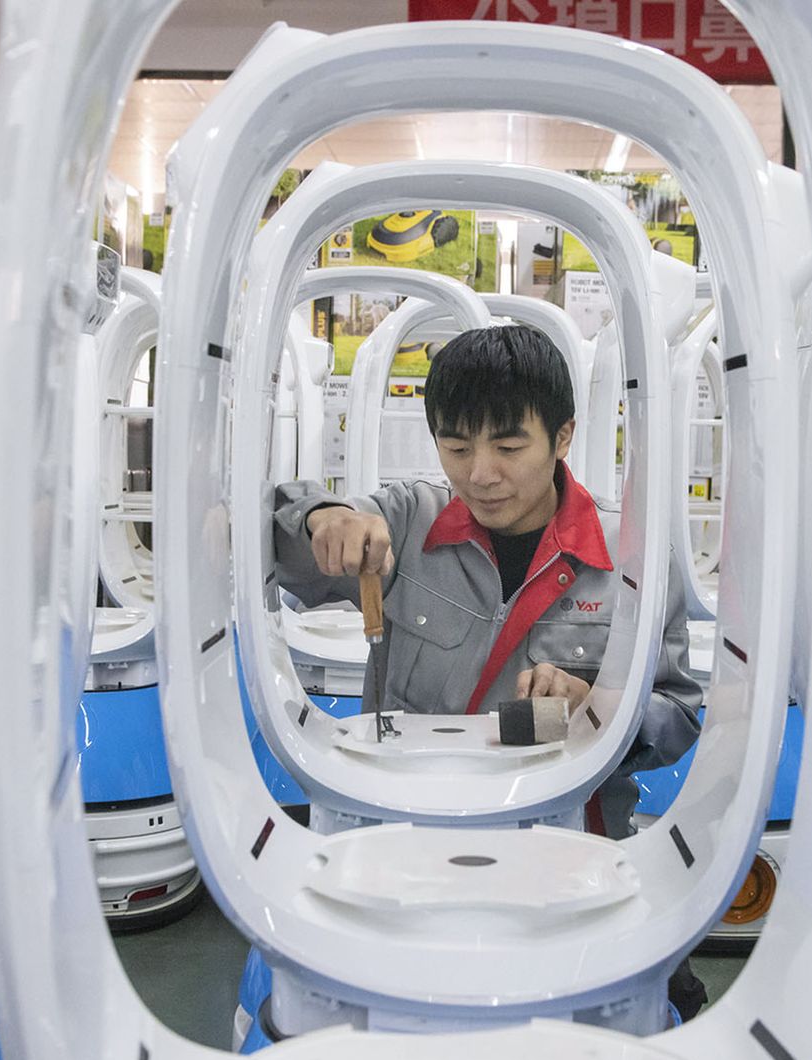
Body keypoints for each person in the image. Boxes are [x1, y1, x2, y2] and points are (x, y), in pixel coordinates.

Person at [272, 322, 708, 1021]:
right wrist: (322, 514)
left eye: (508, 447)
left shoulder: (630, 559)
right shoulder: (407, 523)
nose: (480, 473)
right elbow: (275, 540)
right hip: (402, 862)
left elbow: (681, 714)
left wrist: (603, 706)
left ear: (562, 437)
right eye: (456, 446)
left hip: (573, 870)